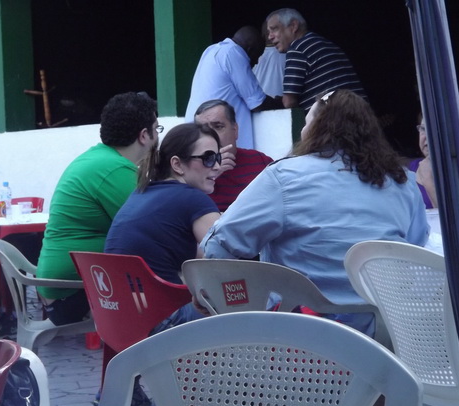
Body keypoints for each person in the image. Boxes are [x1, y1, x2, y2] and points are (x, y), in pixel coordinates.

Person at [201, 89, 429, 337]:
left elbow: (218, 246)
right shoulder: (403, 180)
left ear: (316, 130)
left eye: (306, 123)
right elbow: (414, 249)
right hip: (389, 336)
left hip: (301, 339)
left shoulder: (284, 177)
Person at [36, 92, 160, 326]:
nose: (158, 138)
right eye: (157, 129)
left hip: (63, 289)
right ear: (144, 135)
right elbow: (153, 229)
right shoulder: (114, 170)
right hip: (73, 294)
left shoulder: (99, 158)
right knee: (174, 288)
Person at [104, 122, 221, 312]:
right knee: (258, 306)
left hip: (117, 315)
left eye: (218, 157)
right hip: (161, 316)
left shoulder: (141, 193)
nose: (217, 166)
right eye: (208, 158)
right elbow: (226, 261)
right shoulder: (192, 198)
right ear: (177, 164)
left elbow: (201, 254)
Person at [185, 26, 283, 149]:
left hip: (198, 136)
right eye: (258, 55)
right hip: (215, 141)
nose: (257, 62)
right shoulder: (233, 53)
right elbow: (258, 103)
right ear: (250, 49)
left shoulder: (212, 50)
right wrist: (282, 103)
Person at [266, 8, 366, 111]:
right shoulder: (326, 44)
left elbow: (289, 102)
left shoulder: (298, 48)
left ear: (293, 26)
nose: (270, 37)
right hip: (361, 115)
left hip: (335, 117)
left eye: (274, 29)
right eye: (268, 32)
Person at [194, 99, 273, 212]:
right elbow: (185, 206)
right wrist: (211, 174)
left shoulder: (259, 160)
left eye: (218, 126)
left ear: (235, 130)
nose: (211, 135)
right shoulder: (192, 165)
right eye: (204, 130)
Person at [252, 21, 286, 97]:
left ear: (262, 35)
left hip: (258, 103)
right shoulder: (289, 55)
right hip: (281, 103)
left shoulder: (252, 56)